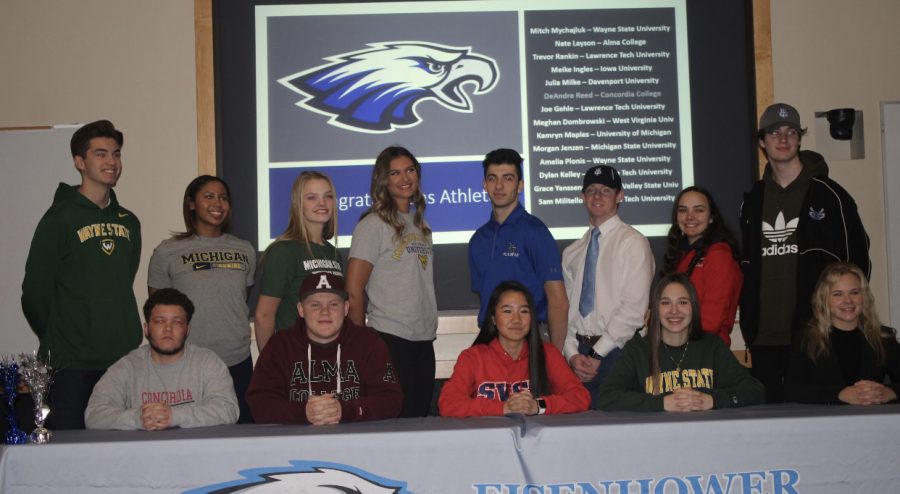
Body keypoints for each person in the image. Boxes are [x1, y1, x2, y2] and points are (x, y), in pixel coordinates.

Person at [740, 103, 871, 403]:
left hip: (819, 336)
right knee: (772, 435)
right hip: (765, 338)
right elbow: (747, 267)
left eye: (791, 132)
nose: (783, 139)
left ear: (799, 139)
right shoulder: (753, 201)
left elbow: (858, 265)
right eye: (774, 133)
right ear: (762, 141)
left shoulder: (831, 195)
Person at [21, 120, 142, 429]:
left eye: (116, 154)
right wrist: (62, 337)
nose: (111, 162)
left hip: (120, 361)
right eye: (100, 154)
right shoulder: (58, 219)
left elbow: (121, 281)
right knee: (69, 451)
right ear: (79, 162)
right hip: (70, 365)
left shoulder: (130, 222)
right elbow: (35, 292)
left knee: (119, 452)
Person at [147, 175, 256, 423]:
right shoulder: (167, 251)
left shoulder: (245, 249)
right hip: (189, 363)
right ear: (191, 203)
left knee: (242, 436)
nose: (217, 203)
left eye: (223, 198)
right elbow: (158, 307)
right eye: (208, 196)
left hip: (237, 360)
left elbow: (240, 297)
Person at [346, 146, 437, 418]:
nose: (404, 178)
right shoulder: (372, 225)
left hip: (423, 340)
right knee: (395, 424)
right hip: (389, 339)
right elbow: (353, 287)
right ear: (383, 179)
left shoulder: (422, 225)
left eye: (409, 170)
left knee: (418, 421)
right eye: (394, 172)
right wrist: (361, 342)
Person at [246, 273, 403, 424]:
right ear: (301, 309)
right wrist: (303, 412)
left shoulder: (369, 343)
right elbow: (259, 403)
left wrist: (345, 410)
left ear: (346, 308)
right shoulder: (279, 346)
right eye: (315, 305)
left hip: (355, 441)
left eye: (333, 304)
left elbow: (391, 400)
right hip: (295, 444)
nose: (325, 312)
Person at [595, 274, 765, 411]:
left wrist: (712, 400)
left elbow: (755, 391)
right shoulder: (638, 349)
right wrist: (662, 403)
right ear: (655, 309)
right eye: (665, 303)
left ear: (694, 308)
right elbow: (605, 397)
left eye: (683, 302)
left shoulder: (712, 346)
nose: (674, 311)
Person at [562, 165, 654, 405]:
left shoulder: (633, 243)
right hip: (581, 357)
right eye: (591, 190)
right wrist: (572, 353)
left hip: (620, 352)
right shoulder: (572, 252)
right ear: (583, 197)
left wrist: (596, 353)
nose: (597, 196)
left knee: (621, 431)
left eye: (606, 190)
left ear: (619, 195)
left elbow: (633, 311)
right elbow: (569, 311)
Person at [85, 289, 239, 430]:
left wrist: (174, 416)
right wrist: (138, 418)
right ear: (146, 328)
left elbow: (228, 410)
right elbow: (94, 416)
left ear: (187, 330)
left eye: (177, 322)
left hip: (195, 453)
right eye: (159, 321)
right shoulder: (127, 367)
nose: (168, 329)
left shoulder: (208, 362)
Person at [439, 281, 590, 417]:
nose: (516, 320)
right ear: (493, 319)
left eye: (524, 311)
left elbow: (580, 396)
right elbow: (448, 403)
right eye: (507, 311)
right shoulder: (473, 357)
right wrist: (504, 408)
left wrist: (538, 406)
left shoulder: (547, 353)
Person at [468, 148, 569, 349]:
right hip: (491, 340)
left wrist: (554, 358)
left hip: (531, 337)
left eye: (507, 178)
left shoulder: (536, 232)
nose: (499, 186)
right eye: (492, 178)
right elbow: (485, 297)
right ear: (484, 185)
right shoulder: (478, 240)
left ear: (520, 185)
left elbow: (558, 301)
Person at [784, 263, 900, 405]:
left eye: (855, 292)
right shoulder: (807, 339)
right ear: (824, 299)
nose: (848, 300)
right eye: (838, 294)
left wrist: (889, 392)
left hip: (874, 423)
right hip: (824, 424)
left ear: (864, 296)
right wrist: (839, 394)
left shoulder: (883, 338)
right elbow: (792, 391)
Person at [255, 171, 343, 353]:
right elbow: (264, 315)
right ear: (298, 204)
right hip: (294, 354)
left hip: (330, 354)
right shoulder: (283, 251)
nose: (322, 203)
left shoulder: (333, 253)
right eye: (312, 197)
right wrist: (270, 365)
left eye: (328, 196)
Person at [661, 186, 742, 346]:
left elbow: (712, 319)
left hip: (704, 350)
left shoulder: (719, 255)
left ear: (711, 217)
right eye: (683, 210)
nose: (690, 216)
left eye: (699, 210)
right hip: (681, 346)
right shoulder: (682, 255)